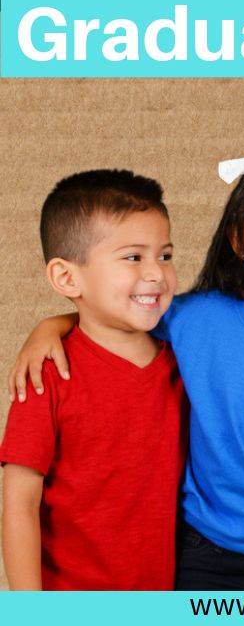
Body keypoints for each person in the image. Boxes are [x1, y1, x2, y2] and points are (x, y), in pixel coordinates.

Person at [8, 128, 244, 592]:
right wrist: (52, 323)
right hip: (201, 553)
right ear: (237, 238)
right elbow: (117, 312)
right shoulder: (199, 320)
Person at [0, 170, 184, 590]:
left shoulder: (185, 360)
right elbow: (19, 505)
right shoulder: (47, 374)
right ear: (67, 278)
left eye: (166, 255)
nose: (157, 273)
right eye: (134, 257)